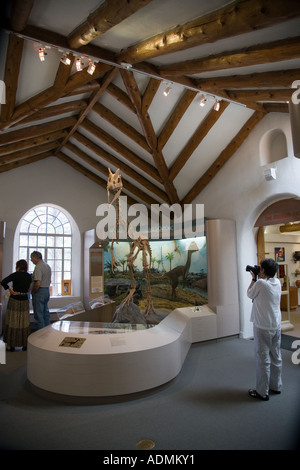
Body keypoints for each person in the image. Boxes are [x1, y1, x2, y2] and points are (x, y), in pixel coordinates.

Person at [247, 258, 282, 401]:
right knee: (276, 357)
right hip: (276, 325)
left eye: (260, 268)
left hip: (262, 327)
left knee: (263, 359)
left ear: (263, 271)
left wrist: (254, 279)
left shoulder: (261, 283)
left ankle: (262, 392)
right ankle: (276, 386)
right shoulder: (277, 282)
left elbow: (249, 293)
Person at [1, 259, 32, 351]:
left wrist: (9, 289)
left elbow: (3, 282)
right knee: (24, 322)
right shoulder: (29, 276)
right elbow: (30, 288)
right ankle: (24, 345)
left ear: (18, 266)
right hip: (24, 300)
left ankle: (11, 345)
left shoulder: (15, 275)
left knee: (13, 321)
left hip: (14, 300)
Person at [30, 251, 51, 330]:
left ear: (35, 258)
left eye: (32, 258)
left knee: (39, 314)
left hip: (39, 291)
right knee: (45, 313)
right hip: (46, 291)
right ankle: (47, 332)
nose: (31, 260)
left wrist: (33, 291)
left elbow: (38, 283)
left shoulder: (38, 267)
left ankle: (40, 335)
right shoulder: (47, 266)